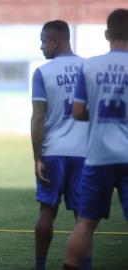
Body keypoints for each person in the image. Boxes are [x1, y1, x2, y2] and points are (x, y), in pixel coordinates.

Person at [63, 8, 128, 270]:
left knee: (86, 222)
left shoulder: (89, 66)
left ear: (106, 34)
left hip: (98, 156)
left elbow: (78, 111)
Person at [30, 20, 91, 270]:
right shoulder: (90, 68)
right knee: (83, 218)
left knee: (47, 211)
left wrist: (37, 157)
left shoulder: (42, 72)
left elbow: (38, 118)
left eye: (43, 41)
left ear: (55, 41)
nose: (41, 47)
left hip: (53, 152)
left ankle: (40, 266)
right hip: (84, 153)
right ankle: (85, 266)